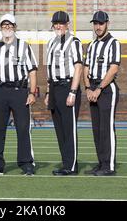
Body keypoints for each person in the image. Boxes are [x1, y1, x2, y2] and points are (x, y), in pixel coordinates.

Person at [0, 13, 38, 176]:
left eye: (10, 25)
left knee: (23, 128)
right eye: (4, 25)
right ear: (1, 27)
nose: (7, 28)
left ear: (14, 27)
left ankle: (27, 163)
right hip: (0, 91)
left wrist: (32, 92)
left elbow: (32, 71)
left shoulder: (24, 46)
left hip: (19, 91)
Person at [45, 11, 83, 176]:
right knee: (60, 129)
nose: (58, 25)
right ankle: (66, 162)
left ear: (68, 24)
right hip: (54, 88)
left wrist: (73, 91)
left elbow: (78, 67)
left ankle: (71, 166)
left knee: (69, 128)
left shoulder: (73, 42)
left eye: (61, 22)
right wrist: (48, 92)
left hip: (68, 86)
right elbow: (50, 69)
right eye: (56, 23)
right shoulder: (51, 42)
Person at [83, 11, 121, 176]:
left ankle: (109, 165)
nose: (98, 27)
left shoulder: (113, 43)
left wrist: (98, 88)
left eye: (101, 23)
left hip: (106, 89)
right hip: (92, 89)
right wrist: (87, 88)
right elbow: (86, 68)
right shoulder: (91, 45)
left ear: (107, 23)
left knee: (107, 128)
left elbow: (113, 69)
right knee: (97, 129)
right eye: (95, 23)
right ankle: (101, 162)